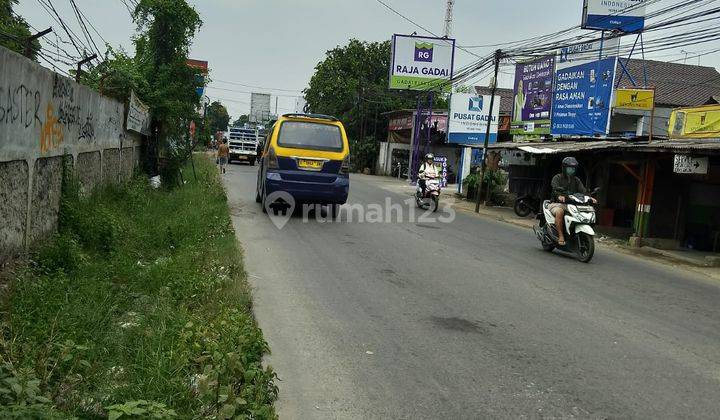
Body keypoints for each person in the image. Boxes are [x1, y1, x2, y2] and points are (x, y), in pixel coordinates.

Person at [548, 157, 596, 245]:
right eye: (569, 168)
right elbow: (555, 189)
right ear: (564, 168)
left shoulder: (576, 180)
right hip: (556, 204)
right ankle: (561, 235)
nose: (571, 170)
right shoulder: (557, 178)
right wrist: (559, 196)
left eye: (573, 168)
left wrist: (590, 197)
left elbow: (583, 191)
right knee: (560, 212)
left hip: (572, 205)